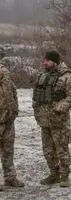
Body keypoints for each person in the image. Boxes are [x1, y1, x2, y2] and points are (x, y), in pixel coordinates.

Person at [32, 50, 71, 187]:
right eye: (44, 60)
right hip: (44, 120)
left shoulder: (67, 77)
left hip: (59, 120)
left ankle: (64, 176)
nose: (44, 63)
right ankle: (54, 173)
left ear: (54, 61)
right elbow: (37, 96)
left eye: (47, 60)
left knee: (61, 149)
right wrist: (37, 111)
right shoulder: (43, 75)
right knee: (47, 150)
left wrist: (60, 106)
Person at [0, 57, 24, 189]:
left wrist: (14, 110)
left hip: (7, 118)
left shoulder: (5, 72)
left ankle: (10, 178)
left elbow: (11, 92)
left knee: (8, 149)